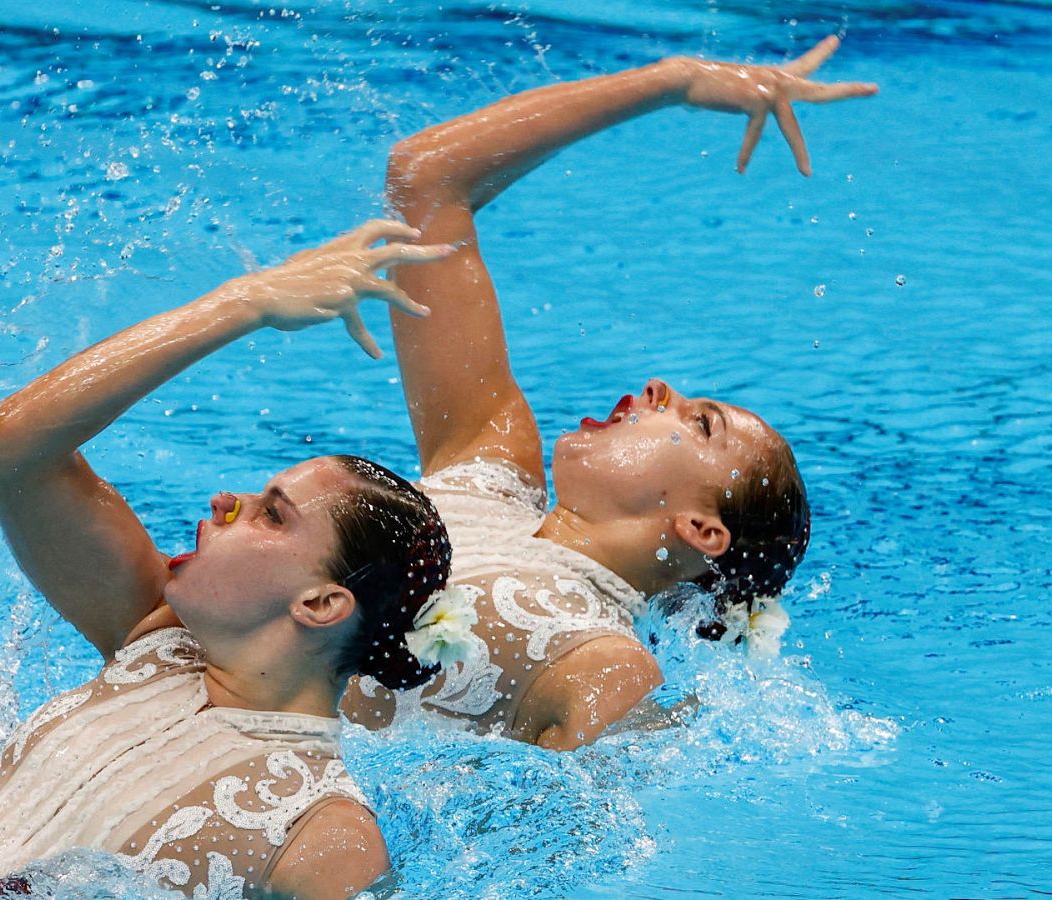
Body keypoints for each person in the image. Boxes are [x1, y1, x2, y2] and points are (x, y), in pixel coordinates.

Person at [0, 222, 469, 899]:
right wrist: (245, 302)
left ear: (320, 604)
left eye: (271, 512)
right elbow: (14, 445)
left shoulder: (325, 835)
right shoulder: (153, 638)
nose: (225, 501)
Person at [340, 37, 878, 750]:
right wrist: (674, 82)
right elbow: (425, 179)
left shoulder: (606, 665)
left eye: (700, 423)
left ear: (701, 530)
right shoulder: (485, 459)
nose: (659, 387)